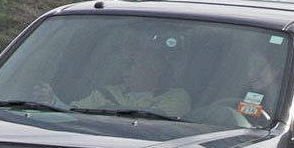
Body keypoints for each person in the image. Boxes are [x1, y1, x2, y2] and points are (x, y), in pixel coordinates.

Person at [34, 38, 191, 117]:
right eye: (124, 63)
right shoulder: (105, 93)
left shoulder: (177, 96)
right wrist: (54, 102)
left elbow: (160, 122)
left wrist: (111, 110)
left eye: (133, 63)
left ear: (155, 67)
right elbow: (74, 115)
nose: (125, 68)